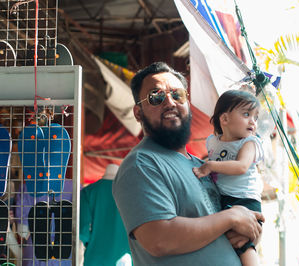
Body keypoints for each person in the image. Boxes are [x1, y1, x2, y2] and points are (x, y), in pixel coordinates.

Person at [112, 62, 264, 266]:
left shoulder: (205, 165)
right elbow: (158, 239)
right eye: (156, 96)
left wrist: (249, 232)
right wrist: (232, 217)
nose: (170, 102)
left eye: (177, 95)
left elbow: (226, 225)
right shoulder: (141, 164)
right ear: (138, 113)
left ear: (187, 104)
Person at [192, 89, 264, 266]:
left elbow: (241, 166)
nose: (253, 122)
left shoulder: (249, 143)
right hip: (224, 199)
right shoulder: (213, 142)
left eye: (255, 117)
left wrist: (210, 165)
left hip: (244, 199)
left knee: (244, 245)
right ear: (224, 119)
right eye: (246, 114)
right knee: (229, 242)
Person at [80, 164, 132, 266]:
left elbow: (82, 231)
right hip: (126, 259)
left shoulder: (88, 191)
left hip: (96, 258)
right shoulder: (132, 194)